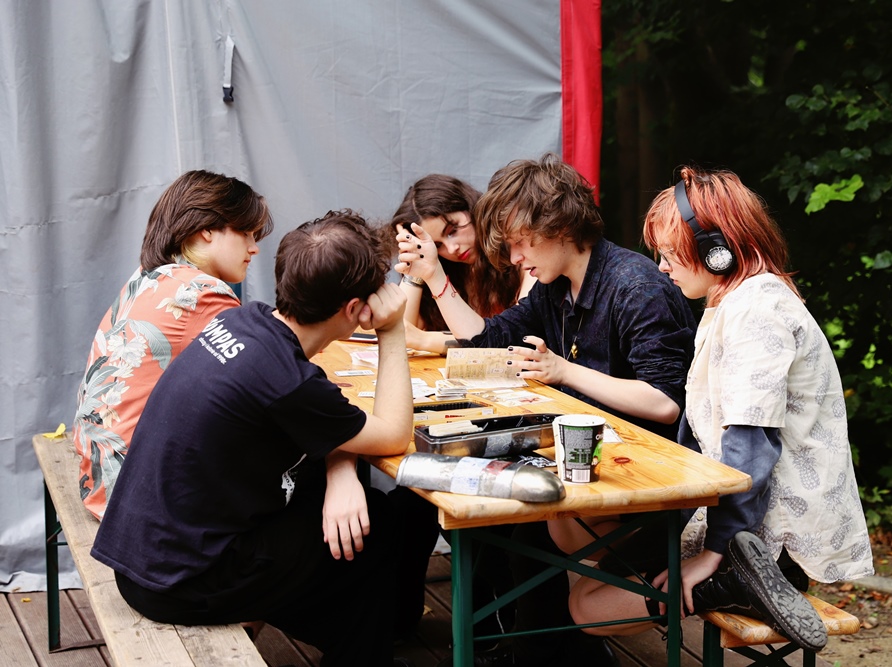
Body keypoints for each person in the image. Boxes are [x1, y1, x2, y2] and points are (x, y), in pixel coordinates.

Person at [398, 153, 697, 666]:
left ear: (556, 226)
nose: (514, 258)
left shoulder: (636, 286)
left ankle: (537, 653)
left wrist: (562, 371)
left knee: (523, 536)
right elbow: (487, 339)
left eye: (519, 242)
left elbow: (665, 403)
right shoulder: (556, 287)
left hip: (652, 480)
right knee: (502, 527)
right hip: (594, 463)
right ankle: (525, 650)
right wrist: (432, 277)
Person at [565, 167, 875, 653]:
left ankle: (736, 586)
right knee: (580, 552)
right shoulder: (741, 300)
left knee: (589, 605)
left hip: (766, 540)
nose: (662, 267)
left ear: (717, 250)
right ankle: (731, 585)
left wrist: (713, 552)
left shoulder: (756, 312)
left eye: (670, 254)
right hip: (738, 517)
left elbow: (750, 449)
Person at [91, 211, 416, 667]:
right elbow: (395, 434)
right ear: (353, 310)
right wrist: (392, 329)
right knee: (373, 528)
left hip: (145, 556)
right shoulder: (288, 381)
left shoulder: (243, 323)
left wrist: (340, 469)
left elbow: (316, 409)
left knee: (343, 517)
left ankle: (355, 640)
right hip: (180, 581)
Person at [73, 170, 273, 520]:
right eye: (245, 232)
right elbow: (264, 383)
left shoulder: (148, 278)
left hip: (101, 479)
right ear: (207, 229)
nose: (254, 247)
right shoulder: (201, 294)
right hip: (137, 499)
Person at [383, 173, 535, 354]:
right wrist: (416, 261)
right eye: (437, 245)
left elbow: (519, 337)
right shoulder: (444, 269)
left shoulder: (520, 256)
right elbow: (403, 333)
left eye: (452, 230)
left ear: (471, 207)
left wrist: (424, 340)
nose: (452, 248)